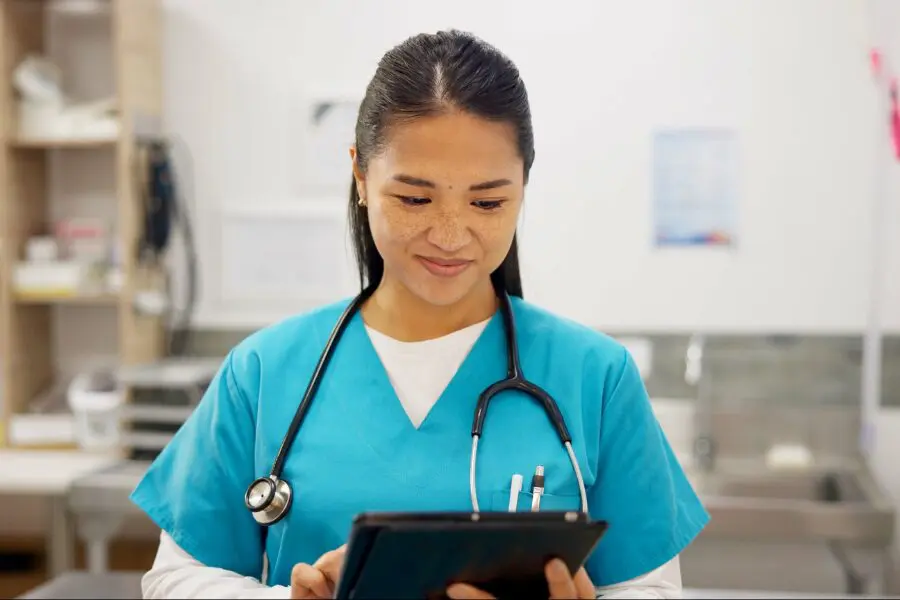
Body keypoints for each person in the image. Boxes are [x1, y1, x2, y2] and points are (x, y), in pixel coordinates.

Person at [132, 29, 709, 600]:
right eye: (414, 198)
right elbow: (178, 577)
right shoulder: (264, 372)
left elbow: (648, 589)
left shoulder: (595, 378)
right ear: (360, 175)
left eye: (487, 202)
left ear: (524, 187)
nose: (451, 234)